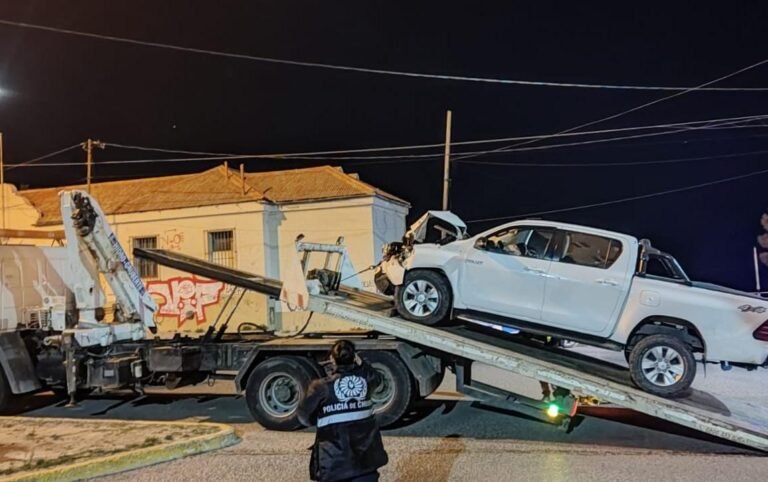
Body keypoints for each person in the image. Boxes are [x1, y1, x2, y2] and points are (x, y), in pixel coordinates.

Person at [298, 340, 389, 482]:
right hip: (365, 463)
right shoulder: (366, 380)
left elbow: (304, 417)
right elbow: (377, 378)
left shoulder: (321, 387)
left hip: (334, 463)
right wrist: (361, 363)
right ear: (354, 357)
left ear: (332, 359)